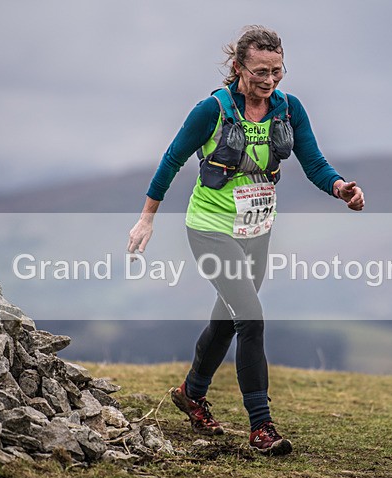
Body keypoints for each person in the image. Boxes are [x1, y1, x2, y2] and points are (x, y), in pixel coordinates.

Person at [127, 26, 364, 456]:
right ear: (238, 67)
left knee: (228, 319)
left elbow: (313, 162)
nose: (270, 80)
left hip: (257, 231)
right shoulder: (212, 110)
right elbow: (172, 159)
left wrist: (339, 187)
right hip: (210, 229)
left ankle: (191, 393)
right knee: (251, 318)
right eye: (260, 72)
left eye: (277, 71)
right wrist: (147, 219)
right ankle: (261, 426)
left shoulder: (289, 109)